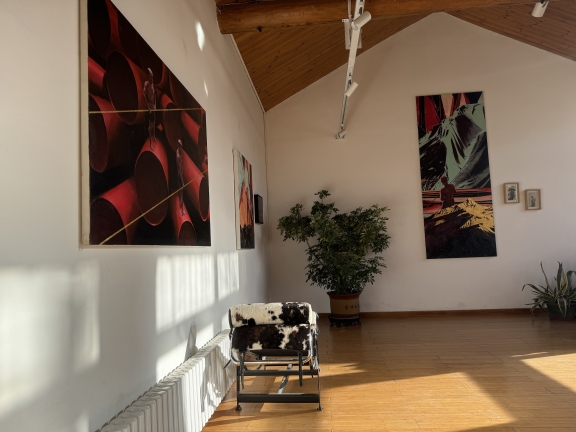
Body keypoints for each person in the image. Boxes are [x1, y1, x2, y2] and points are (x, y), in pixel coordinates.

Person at [143, 68, 156, 149]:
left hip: (153, 107)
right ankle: (150, 143)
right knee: (150, 126)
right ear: (148, 77)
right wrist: (148, 107)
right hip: (150, 107)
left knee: (154, 123)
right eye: (151, 77)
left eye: (152, 77)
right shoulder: (147, 84)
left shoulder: (152, 84)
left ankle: (154, 137)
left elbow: (154, 96)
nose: (152, 79)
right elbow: (144, 94)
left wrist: (155, 105)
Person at [176, 140, 185, 216]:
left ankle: (181, 209)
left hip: (180, 173)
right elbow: (179, 166)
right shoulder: (178, 154)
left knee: (181, 192)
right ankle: (181, 210)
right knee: (181, 192)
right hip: (180, 173)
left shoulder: (178, 152)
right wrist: (182, 180)